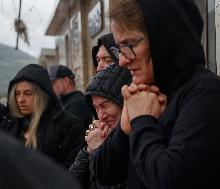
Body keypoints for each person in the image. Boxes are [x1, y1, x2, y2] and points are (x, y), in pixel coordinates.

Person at [94, 0, 220, 189]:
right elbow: (105, 172)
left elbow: (171, 179)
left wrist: (142, 122)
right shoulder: (143, 89)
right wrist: (124, 129)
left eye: (130, 44)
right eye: (119, 48)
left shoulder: (206, 94)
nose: (121, 60)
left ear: (164, 39)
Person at [0, 64, 85, 168]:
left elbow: (73, 172)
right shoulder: (9, 124)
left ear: (42, 95)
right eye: (17, 93)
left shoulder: (68, 126)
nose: (20, 99)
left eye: (28, 93)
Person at [69, 63, 132, 189]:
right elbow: (70, 181)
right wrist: (89, 150)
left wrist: (99, 150)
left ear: (123, 102)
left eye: (104, 106)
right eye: (96, 108)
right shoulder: (102, 134)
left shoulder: (134, 140)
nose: (101, 116)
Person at [48, 64, 93, 130]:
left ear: (66, 81)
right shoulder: (63, 100)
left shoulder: (78, 103)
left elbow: (62, 131)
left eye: (53, 82)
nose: (50, 86)